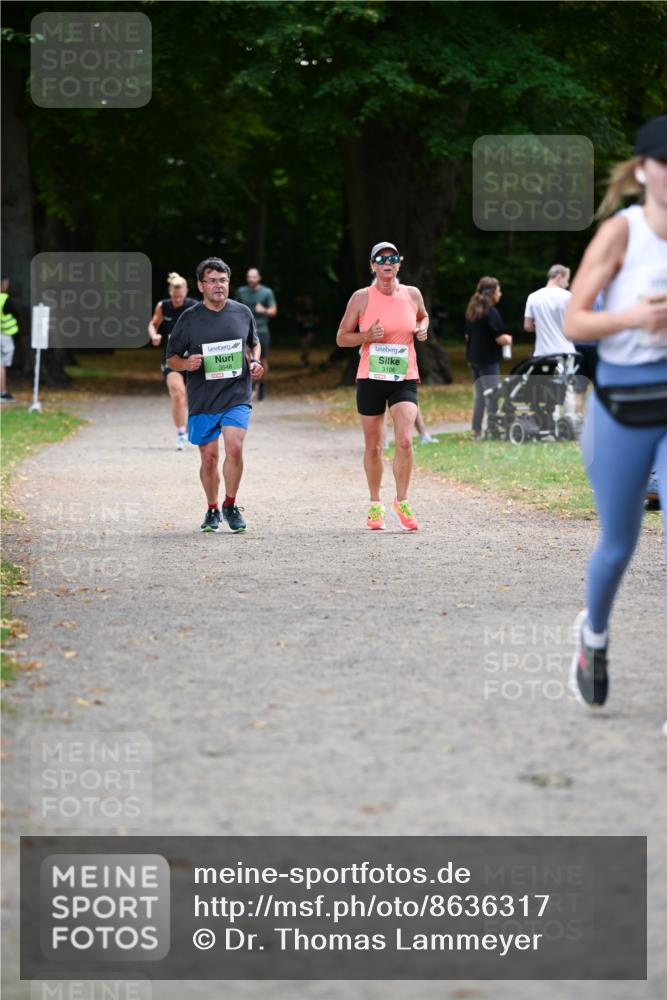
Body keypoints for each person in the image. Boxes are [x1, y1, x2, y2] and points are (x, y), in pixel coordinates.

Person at [563, 114, 667, 723]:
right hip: (622, 407)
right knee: (619, 543)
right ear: (644, 169)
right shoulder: (621, 234)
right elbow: (576, 322)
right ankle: (594, 637)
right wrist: (633, 319)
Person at [336, 241, 429, 531]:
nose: (387, 262)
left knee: (404, 439)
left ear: (399, 263)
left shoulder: (412, 294)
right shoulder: (361, 298)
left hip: (404, 378)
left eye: (392, 258)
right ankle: (375, 503)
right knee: (374, 446)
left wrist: (423, 326)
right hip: (371, 378)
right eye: (381, 258)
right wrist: (366, 336)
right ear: (373, 265)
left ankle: (401, 501)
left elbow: (423, 316)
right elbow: (341, 337)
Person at [166, 257, 263, 533]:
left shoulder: (242, 312)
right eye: (212, 281)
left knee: (234, 447)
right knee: (208, 458)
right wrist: (186, 364)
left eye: (223, 280)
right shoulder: (189, 319)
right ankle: (212, 508)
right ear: (200, 285)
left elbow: (253, 344)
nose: (218, 286)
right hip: (203, 397)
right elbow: (171, 358)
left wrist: (255, 363)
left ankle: (231, 504)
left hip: (236, 394)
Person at [148, 272, 198, 449]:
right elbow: (153, 323)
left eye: (180, 296)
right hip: (172, 359)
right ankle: (181, 434)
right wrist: (154, 335)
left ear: (186, 292)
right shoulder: (164, 306)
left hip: (194, 359)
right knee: (178, 394)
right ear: (170, 292)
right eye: (174, 296)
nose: (177, 300)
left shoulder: (195, 307)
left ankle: (202, 430)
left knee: (196, 398)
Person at [464, 277, 512, 440]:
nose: (500, 294)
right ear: (492, 293)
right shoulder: (491, 312)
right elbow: (499, 338)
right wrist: (508, 339)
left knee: (480, 395)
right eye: (498, 291)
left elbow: (466, 335)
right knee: (492, 395)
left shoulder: (472, 310)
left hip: (474, 359)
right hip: (488, 360)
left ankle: (476, 430)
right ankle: (493, 429)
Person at [235, 267, 277, 401]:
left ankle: (261, 384)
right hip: (243, 330)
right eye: (249, 277)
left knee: (262, 359)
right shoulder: (241, 292)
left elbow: (273, 311)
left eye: (254, 277)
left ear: (259, 278)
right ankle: (250, 386)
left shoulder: (266, 292)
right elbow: (234, 308)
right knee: (245, 358)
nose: (251, 279)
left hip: (262, 330)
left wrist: (263, 310)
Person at [524, 265, 578, 357]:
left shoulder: (533, 297)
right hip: (566, 352)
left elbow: (528, 326)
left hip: (542, 353)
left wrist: (541, 326)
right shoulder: (569, 296)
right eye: (567, 280)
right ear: (559, 277)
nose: (567, 284)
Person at [0, 278, 20, 402]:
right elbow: (16, 312)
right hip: (3, 335)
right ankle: (2, 392)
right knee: (2, 363)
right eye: (5, 284)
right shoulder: (4, 299)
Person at [295, 295, 319, 366]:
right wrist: (309, 319)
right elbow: (298, 319)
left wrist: (306, 319)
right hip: (302, 329)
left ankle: (306, 359)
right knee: (304, 344)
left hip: (311, 329)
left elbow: (317, 320)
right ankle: (304, 355)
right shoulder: (301, 310)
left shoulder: (314, 310)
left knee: (308, 342)